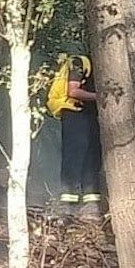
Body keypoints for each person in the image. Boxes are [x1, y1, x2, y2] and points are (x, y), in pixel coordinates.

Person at [52, 53, 101, 211]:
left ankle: (91, 200)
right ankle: (67, 201)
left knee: (92, 155)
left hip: (88, 113)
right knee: (74, 154)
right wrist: (99, 96)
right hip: (73, 112)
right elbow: (72, 91)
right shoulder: (79, 62)